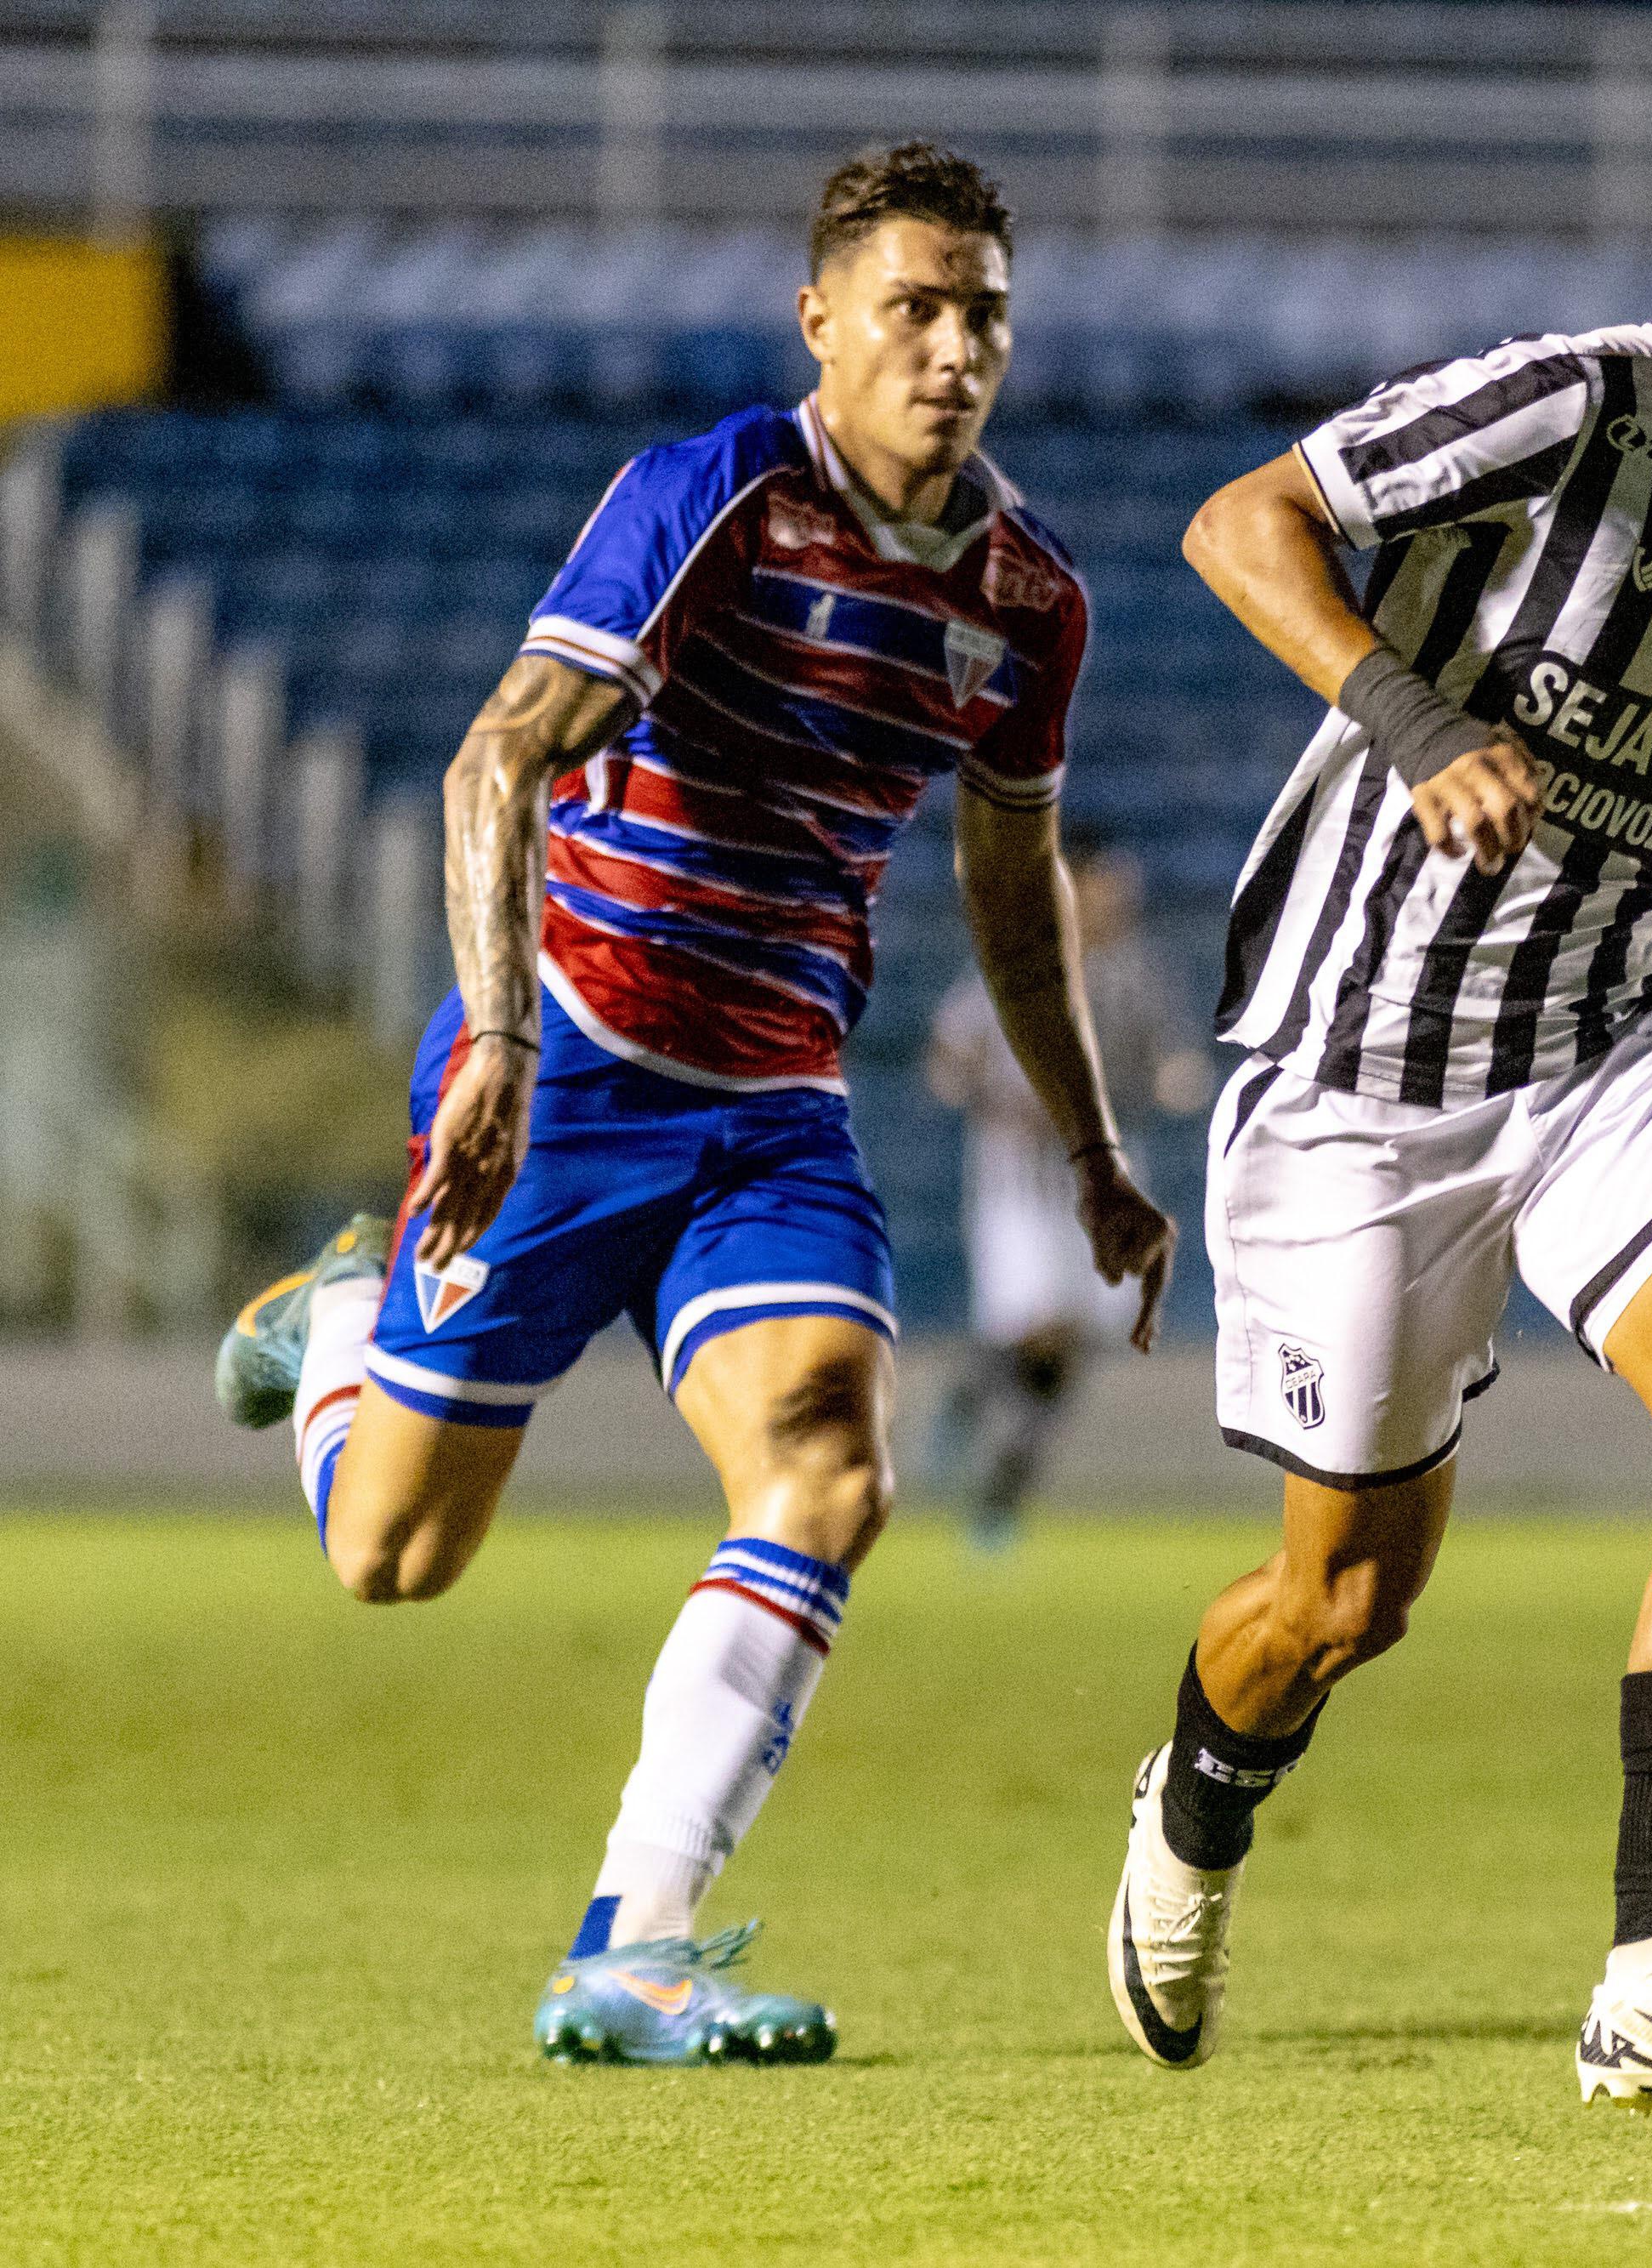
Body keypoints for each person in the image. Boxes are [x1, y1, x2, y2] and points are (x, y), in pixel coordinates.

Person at [209, 140, 1175, 2066]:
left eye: (982, 310)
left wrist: (1091, 1147)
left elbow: (1008, 890)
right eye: (911, 306)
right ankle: (334, 1331)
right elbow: (496, 764)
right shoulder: (716, 495)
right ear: (822, 321)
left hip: (773, 1105)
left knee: (832, 1463)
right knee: (395, 1558)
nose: (950, 346)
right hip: (567, 1061)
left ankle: (630, 1943)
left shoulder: (1027, 600)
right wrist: (492, 1041)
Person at [1101, 95, 1652, 2117]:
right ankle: (1202, 1795)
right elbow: (1245, 522)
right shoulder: (1572, 405)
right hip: (1366, 1073)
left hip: (1641, 1042)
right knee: (1342, 1602)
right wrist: (1414, 727)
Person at [923, 838, 1212, 1547]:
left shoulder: (1141, 974)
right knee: (1043, 1328)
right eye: (1104, 885)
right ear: (1072, 887)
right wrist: (985, 1094)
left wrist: (1179, 1080)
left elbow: (1175, 1061)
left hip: (1109, 1179)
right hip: (1018, 1181)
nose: (1118, 899)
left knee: (1074, 1340)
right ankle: (996, 1485)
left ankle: (982, 1425)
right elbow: (948, 1056)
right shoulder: (1016, 962)